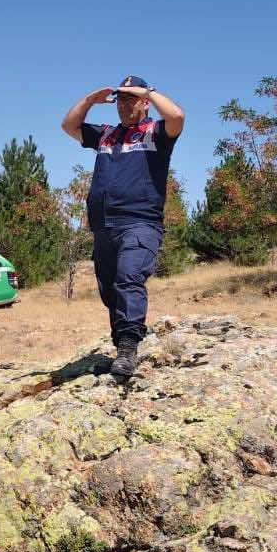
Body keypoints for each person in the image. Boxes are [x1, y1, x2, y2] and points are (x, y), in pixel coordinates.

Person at [60, 76, 185, 384]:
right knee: (110, 289)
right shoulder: (106, 135)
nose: (124, 105)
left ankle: (128, 349)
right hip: (104, 227)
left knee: (129, 277)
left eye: (131, 98)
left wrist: (149, 92)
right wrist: (90, 100)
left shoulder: (157, 132)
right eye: (121, 99)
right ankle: (121, 348)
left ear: (144, 102)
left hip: (140, 222)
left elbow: (177, 116)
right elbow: (69, 126)